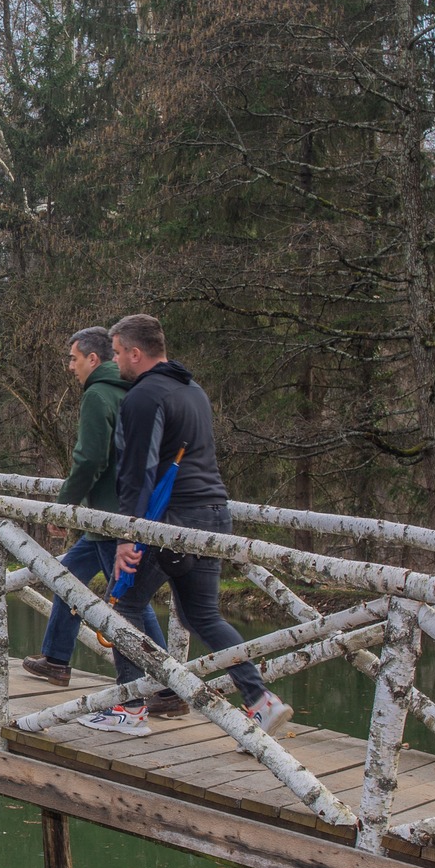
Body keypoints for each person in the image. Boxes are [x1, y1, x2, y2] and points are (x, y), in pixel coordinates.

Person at [83, 313, 294, 737]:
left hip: (172, 520)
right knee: (202, 615)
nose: (115, 361)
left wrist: (127, 535)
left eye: (118, 353)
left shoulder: (144, 397)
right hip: (213, 513)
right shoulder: (192, 390)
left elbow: (137, 471)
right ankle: (260, 700)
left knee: (122, 607)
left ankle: (129, 707)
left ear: (135, 352)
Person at [20, 328, 171, 704]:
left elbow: (90, 459)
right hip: (125, 512)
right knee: (67, 576)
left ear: (92, 359)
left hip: (110, 518)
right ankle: (56, 659)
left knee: (129, 604)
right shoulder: (130, 392)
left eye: (73, 359)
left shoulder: (98, 394)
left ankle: (166, 687)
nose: (70, 367)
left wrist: (65, 507)